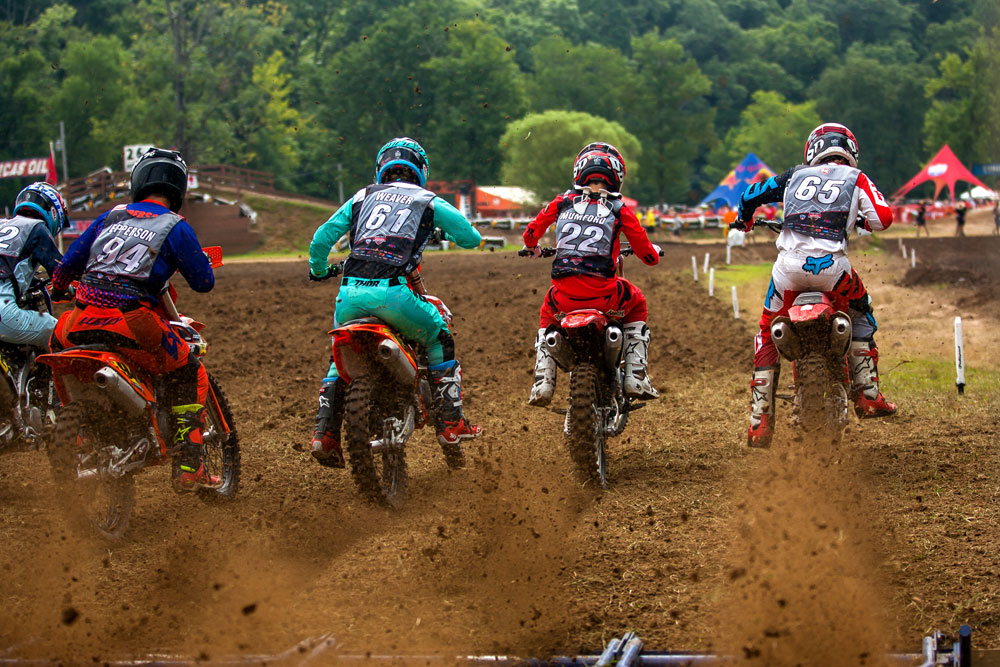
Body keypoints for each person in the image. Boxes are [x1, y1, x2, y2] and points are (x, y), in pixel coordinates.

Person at [307, 137, 482, 467]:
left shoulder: (362, 196)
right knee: (439, 336)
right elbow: (471, 238)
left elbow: (321, 238)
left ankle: (324, 433)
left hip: (350, 294)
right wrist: (441, 231)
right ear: (421, 170)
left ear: (381, 168)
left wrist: (318, 270)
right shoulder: (427, 200)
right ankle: (450, 423)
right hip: (394, 294)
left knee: (339, 356)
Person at [50, 148, 218, 490]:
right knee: (189, 369)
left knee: (56, 348)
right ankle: (189, 463)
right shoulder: (175, 226)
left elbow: (66, 267)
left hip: (79, 322)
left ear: (138, 181)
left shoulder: (110, 216)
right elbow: (204, 282)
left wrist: (59, 289)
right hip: (133, 324)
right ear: (179, 188)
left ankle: (71, 427)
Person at [733, 122, 897, 448]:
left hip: (788, 271)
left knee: (766, 330)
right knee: (862, 310)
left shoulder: (794, 175)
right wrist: (860, 219)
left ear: (811, 151)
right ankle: (868, 393)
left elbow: (749, 195)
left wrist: (746, 221)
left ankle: (759, 420)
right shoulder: (856, 177)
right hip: (834, 270)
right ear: (850, 152)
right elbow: (883, 219)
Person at [522, 142, 661, 407]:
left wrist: (533, 248)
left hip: (563, 298)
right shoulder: (619, 209)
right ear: (617, 176)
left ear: (579, 172)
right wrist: (652, 252)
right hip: (605, 295)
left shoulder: (561, 202)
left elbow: (530, 233)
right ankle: (635, 374)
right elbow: (649, 257)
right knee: (637, 300)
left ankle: (542, 380)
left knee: (546, 313)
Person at [0, 183, 69, 349]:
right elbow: (61, 272)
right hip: (3, 314)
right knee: (55, 329)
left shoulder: (2, 223)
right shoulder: (37, 228)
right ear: (54, 212)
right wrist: (69, 289)